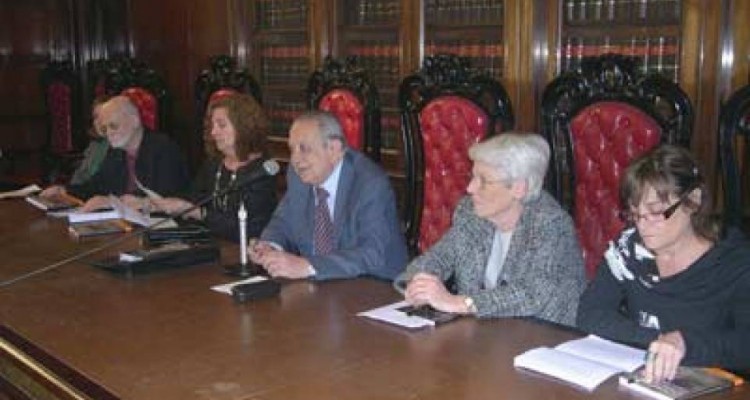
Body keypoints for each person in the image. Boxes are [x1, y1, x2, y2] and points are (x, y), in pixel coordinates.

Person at [577, 145, 750, 383]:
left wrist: (685, 344)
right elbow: (590, 314)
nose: (642, 226)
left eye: (656, 213)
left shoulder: (734, 263)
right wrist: (658, 340)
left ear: (693, 200)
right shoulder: (630, 250)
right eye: (635, 214)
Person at [394, 133, 585, 326]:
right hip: (483, 333)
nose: (470, 188)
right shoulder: (471, 212)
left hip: (541, 337)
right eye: (473, 177)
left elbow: (533, 294)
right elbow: (439, 257)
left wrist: (460, 303)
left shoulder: (551, 224)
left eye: (484, 181)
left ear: (518, 188)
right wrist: (417, 283)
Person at [248, 111, 407, 281]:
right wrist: (269, 245)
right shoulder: (298, 177)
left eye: (304, 149)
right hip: (321, 286)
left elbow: (373, 253)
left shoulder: (370, 184)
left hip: (374, 285)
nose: (295, 160)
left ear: (333, 149)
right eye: (292, 149)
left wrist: (308, 266)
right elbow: (283, 221)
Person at [150, 93, 277, 241]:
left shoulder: (261, 171)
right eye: (212, 125)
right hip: (207, 244)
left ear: (244, 126)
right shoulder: (213, 164)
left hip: (242, 251)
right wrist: (154, 204)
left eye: (221, 125)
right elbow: (192, 200)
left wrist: (198, 213)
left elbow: (248, 228)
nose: (213, 132)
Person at [39, 95, 189, 211]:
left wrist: (113, 202)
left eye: (113, 126)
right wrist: (64, 190)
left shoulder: (163, 148)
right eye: (105, 129)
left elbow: (168, 199)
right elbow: (96, 186)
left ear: (135, 121)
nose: (109, 133)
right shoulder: (117, 151)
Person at [69, 96, 110, 185]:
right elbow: (80, 176)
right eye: (95, 117)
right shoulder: (95, 144)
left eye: (103, 116)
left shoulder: (119, 146)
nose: (98, 122)